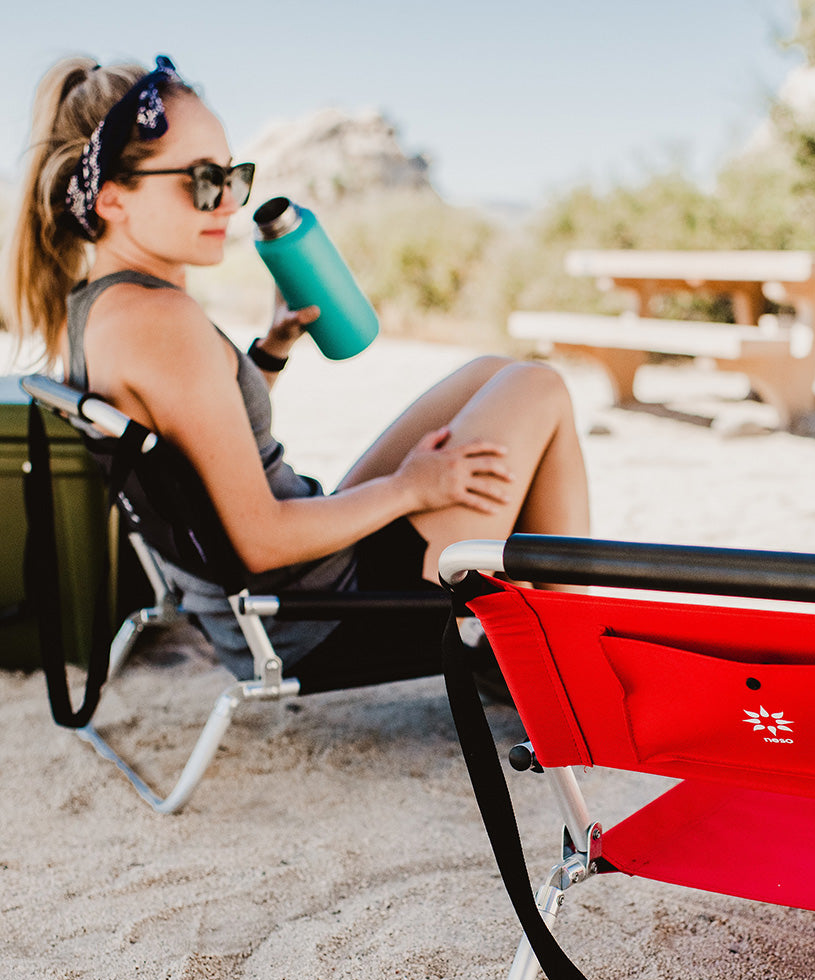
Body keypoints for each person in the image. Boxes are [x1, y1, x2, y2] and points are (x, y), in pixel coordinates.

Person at [2, 55, 590, 686]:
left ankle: (538, 646)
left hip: (289, 580)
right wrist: (413, 489)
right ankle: (576, 663)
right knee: (539, 385)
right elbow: (261, 539)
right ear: (113, 197)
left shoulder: (101, 306)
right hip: (319, 615)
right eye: (202, 180)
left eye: (233, 175)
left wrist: (268, 353)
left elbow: (202, 444)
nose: (227, 199)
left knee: (490, 372)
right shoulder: (160, 321)